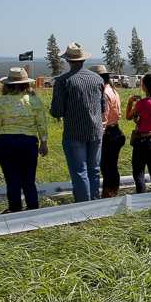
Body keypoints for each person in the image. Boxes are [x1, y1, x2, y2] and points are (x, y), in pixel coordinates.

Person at [50, 43, 105, 202]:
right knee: (94, 170)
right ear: (83, 59)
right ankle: (94, 204)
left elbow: (58, 111)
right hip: (95, 130)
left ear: (67, 61)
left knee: (79, 172)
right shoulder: (97, 78)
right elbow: (103, 106)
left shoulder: (63, 81)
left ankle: (83, 208)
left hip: (74, 131)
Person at [0, 67, 48, 213]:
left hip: (5, 142)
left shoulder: (1, 102)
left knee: (12, 181)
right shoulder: (34, 102)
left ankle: (15, 212)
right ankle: (33, 210)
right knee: (29, 181)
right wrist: (44, 143)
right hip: (29, 142)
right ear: (27, 85)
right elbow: (42, 124)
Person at [124, 74, 151, 192]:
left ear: (144, 87)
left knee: (139, 173)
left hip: (142, 141)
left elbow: (128, 116)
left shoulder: (142, 103)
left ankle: (141, 200)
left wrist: (130, 102)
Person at [90, 64, 125, 198]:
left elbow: (103, 116)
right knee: (112, 166)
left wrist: (100, 133)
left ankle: (107, 194)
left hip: (107, 133)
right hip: (116, 130)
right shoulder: (113, 91)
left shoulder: (103, 93)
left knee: (106, 167)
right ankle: (113, 193)